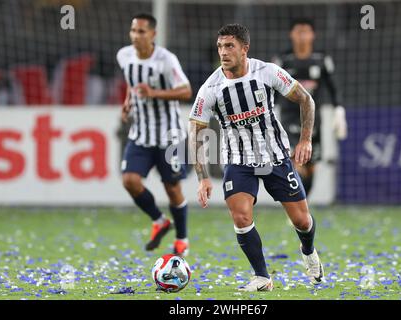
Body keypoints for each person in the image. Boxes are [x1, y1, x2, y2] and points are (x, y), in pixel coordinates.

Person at [189, 24, 324, 292]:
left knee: (302, 221)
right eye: (220, 46)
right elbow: (194, 130)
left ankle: (308, 251)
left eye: (229, 46)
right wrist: (202, 177)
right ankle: (262, 276)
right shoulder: (211, 87)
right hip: (238, 162)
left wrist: (306, 139)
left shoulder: (268, 72)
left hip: (275, 157)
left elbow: (306, 99)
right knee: (240, 217)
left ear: (244, 48)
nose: (223, 52)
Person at [116, 13, 192, 256]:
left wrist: (154, 93)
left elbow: (186, 91)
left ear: (153, 34)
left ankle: (182, 238)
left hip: (170, 135)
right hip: (141, 134)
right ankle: (159, 220)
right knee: (130, 180)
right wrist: (128, 101)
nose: (136, 36)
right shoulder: (124, 55)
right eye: (133, 31)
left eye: (141, 31)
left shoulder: (167, 60)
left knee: (172, 188)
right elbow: (132, 82)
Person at [274, 18, 347, 196]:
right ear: (291, 35)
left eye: (306, 31)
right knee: (295, 162)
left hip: (314, 120)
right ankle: (295, 204)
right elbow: (271, 87)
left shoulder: (322, 60)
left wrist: (339, 110)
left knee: (311, 167)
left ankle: (301, 203)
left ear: (313, 35)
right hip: (289, 118)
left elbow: (333, 86)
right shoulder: (283, 60)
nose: (302, 36)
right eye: (298, 31)